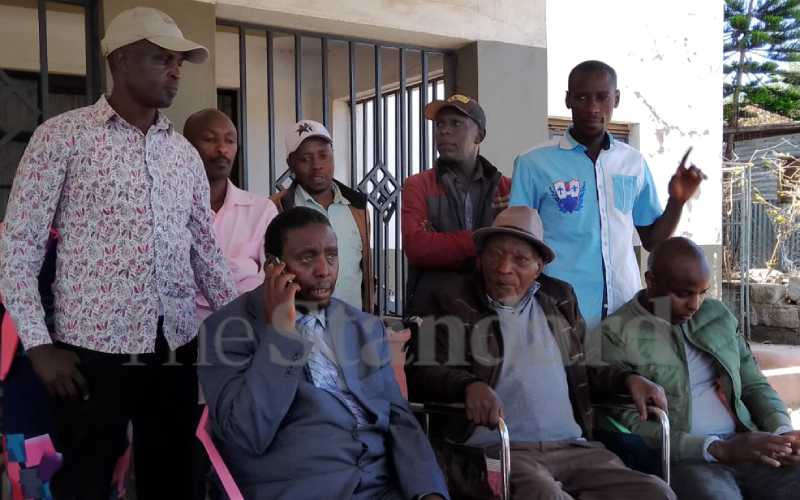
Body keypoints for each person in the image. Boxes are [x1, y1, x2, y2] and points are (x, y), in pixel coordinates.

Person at [0, 7, 237, 499]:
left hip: (173, 347)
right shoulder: (62, 137)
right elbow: (19, 246)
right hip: (89, 351)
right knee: (85, 481)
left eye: (179, 62)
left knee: (173, 479)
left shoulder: (183, 155)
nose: (175, 71)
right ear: (121, 60)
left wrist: (242, 322)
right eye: (161, 58)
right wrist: (38, 345)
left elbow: (206, 253)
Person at [406, 206, 675, 500]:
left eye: (520, 259)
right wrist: (468, 386)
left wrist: (628, 379)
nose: (504, 268)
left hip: (574, 448)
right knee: (546, 495)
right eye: (495, 255)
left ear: (539, 266)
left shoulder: (559, 299)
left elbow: (585, 367)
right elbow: (423, 373)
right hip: (502, 452)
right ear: (480, 259)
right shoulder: (452, 300)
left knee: (656, 493)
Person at [199, 207, 448, 500]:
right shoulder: (226, 329)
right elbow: (245, 435)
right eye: (307, 258)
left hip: (382, 486)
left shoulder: (364, 327)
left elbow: (398, 418)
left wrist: (429, 491)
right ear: (273, 266)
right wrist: (281, 334)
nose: (324, 270)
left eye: (331, 256)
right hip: (303, 487)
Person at [509, 60, 705, 334]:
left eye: (602, 97)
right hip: (559, 312)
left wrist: (677, 201)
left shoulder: (633, 163)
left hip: (623, 310)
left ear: (617, 99)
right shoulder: (533, 164)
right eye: (582, 97)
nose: (592, 108)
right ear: (567, 100)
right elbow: (517, 243)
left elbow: (653, 241)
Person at [601, 237, 800, 500]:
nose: (695, 305)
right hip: (687, 458)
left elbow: (753, 383)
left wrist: (783, 432)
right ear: (651, 281)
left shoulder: (717, 316)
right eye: (682, 294)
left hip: (748, 443)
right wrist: (715, 448)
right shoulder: (617, 332)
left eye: (702, 292)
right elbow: (630, 423)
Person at [401, 94, 510, 313]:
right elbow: (417, 247)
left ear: (479, 135)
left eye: (456, 123)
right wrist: (483, 240)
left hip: (492, 309)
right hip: (433, 310)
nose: (444, 131)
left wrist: (442, 244)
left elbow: (509, 251)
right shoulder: (418, 184)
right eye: (440, 124)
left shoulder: (505, 188)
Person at [184, 108, 278, 321]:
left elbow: (270, 281)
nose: (222, 149)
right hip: (182, 330)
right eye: (210, 139)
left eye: (230, 141)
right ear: (186, 146)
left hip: (244, 327)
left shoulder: (261, 210)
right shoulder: (169, 208)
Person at [271, 120, 373, 312]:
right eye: (305, 159)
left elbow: (363, 271)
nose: (317, 165)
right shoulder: (276, 208)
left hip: (352, 322)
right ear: (291, 164)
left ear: (333, 156)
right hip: (299, 323)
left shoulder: (357, 208)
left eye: (323, 155)